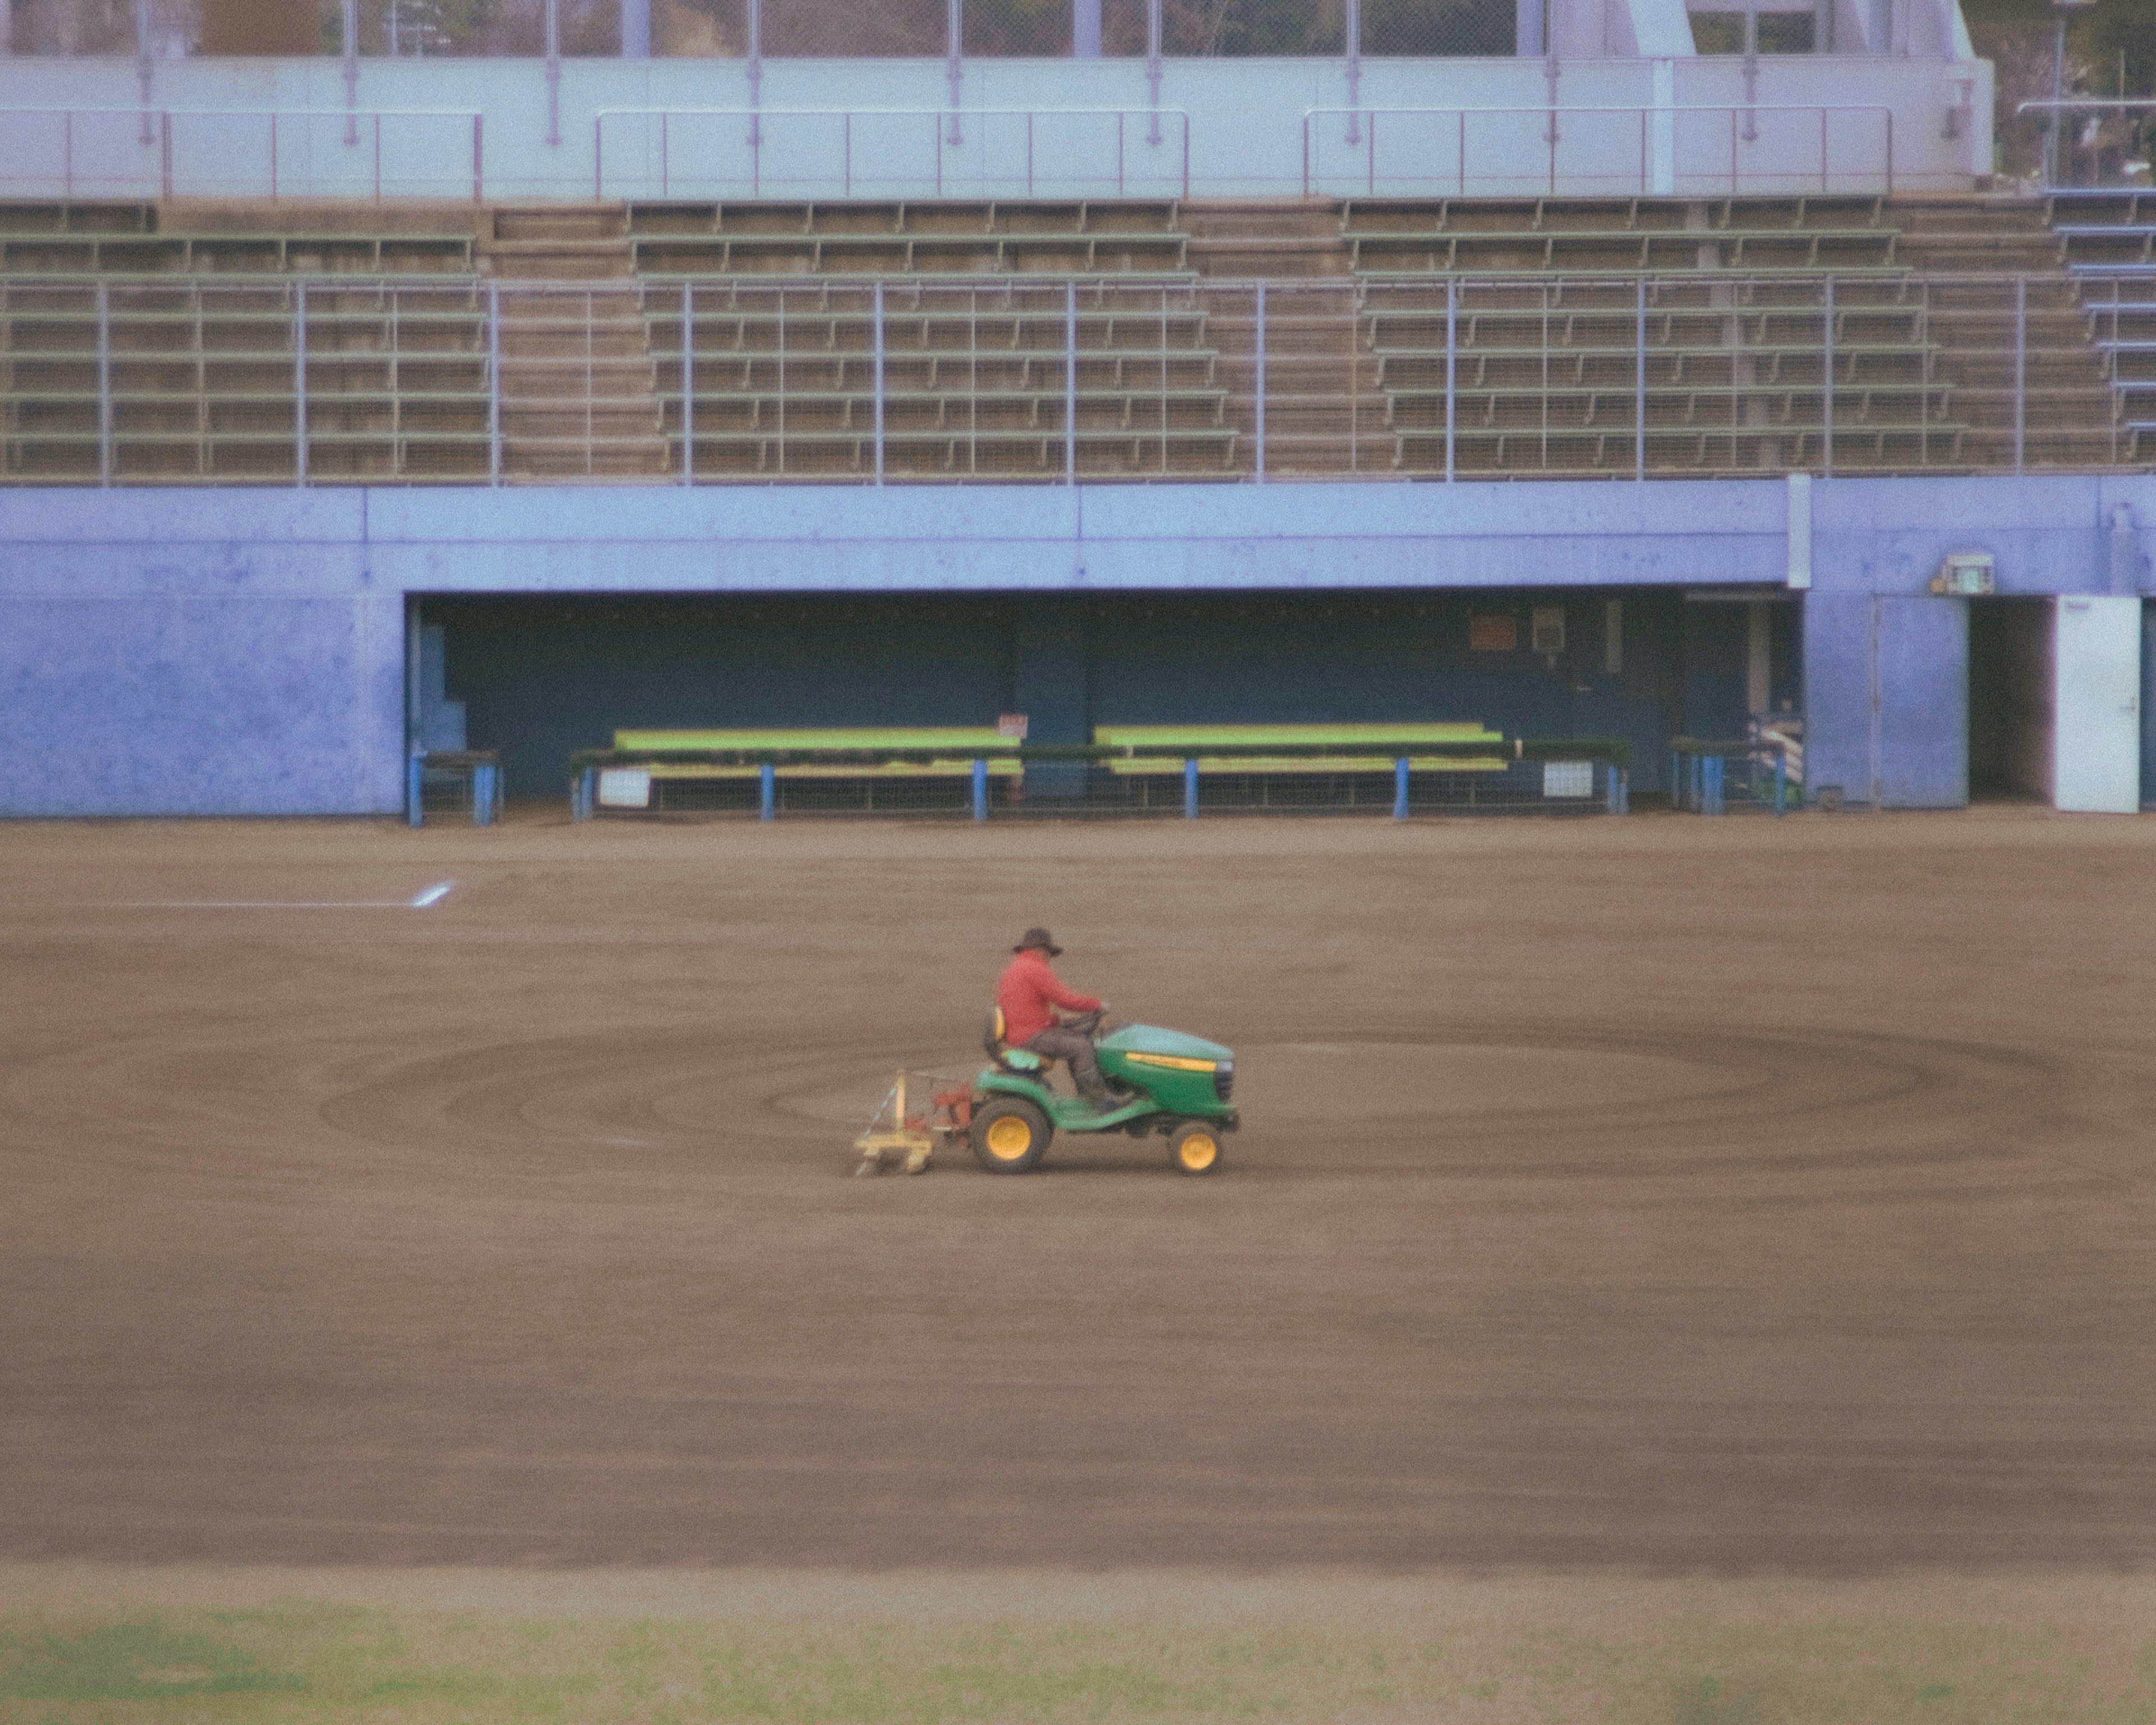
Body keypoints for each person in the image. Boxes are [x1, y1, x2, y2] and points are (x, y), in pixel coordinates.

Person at [997, 927, 1111, 1107]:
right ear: (1042, 951)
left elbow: (1026, 1008)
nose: (1050, 959)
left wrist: (1057, 1021)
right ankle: (1097, 1101)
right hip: (1030, 1037)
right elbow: (1064, 999)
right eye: (1049, 954)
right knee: (1082, 1047)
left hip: (1022, 1032)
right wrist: (1096, 1005)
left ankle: (1086, 1097)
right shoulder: (1035, 968)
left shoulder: (1017, 967)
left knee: (1077, 1039)